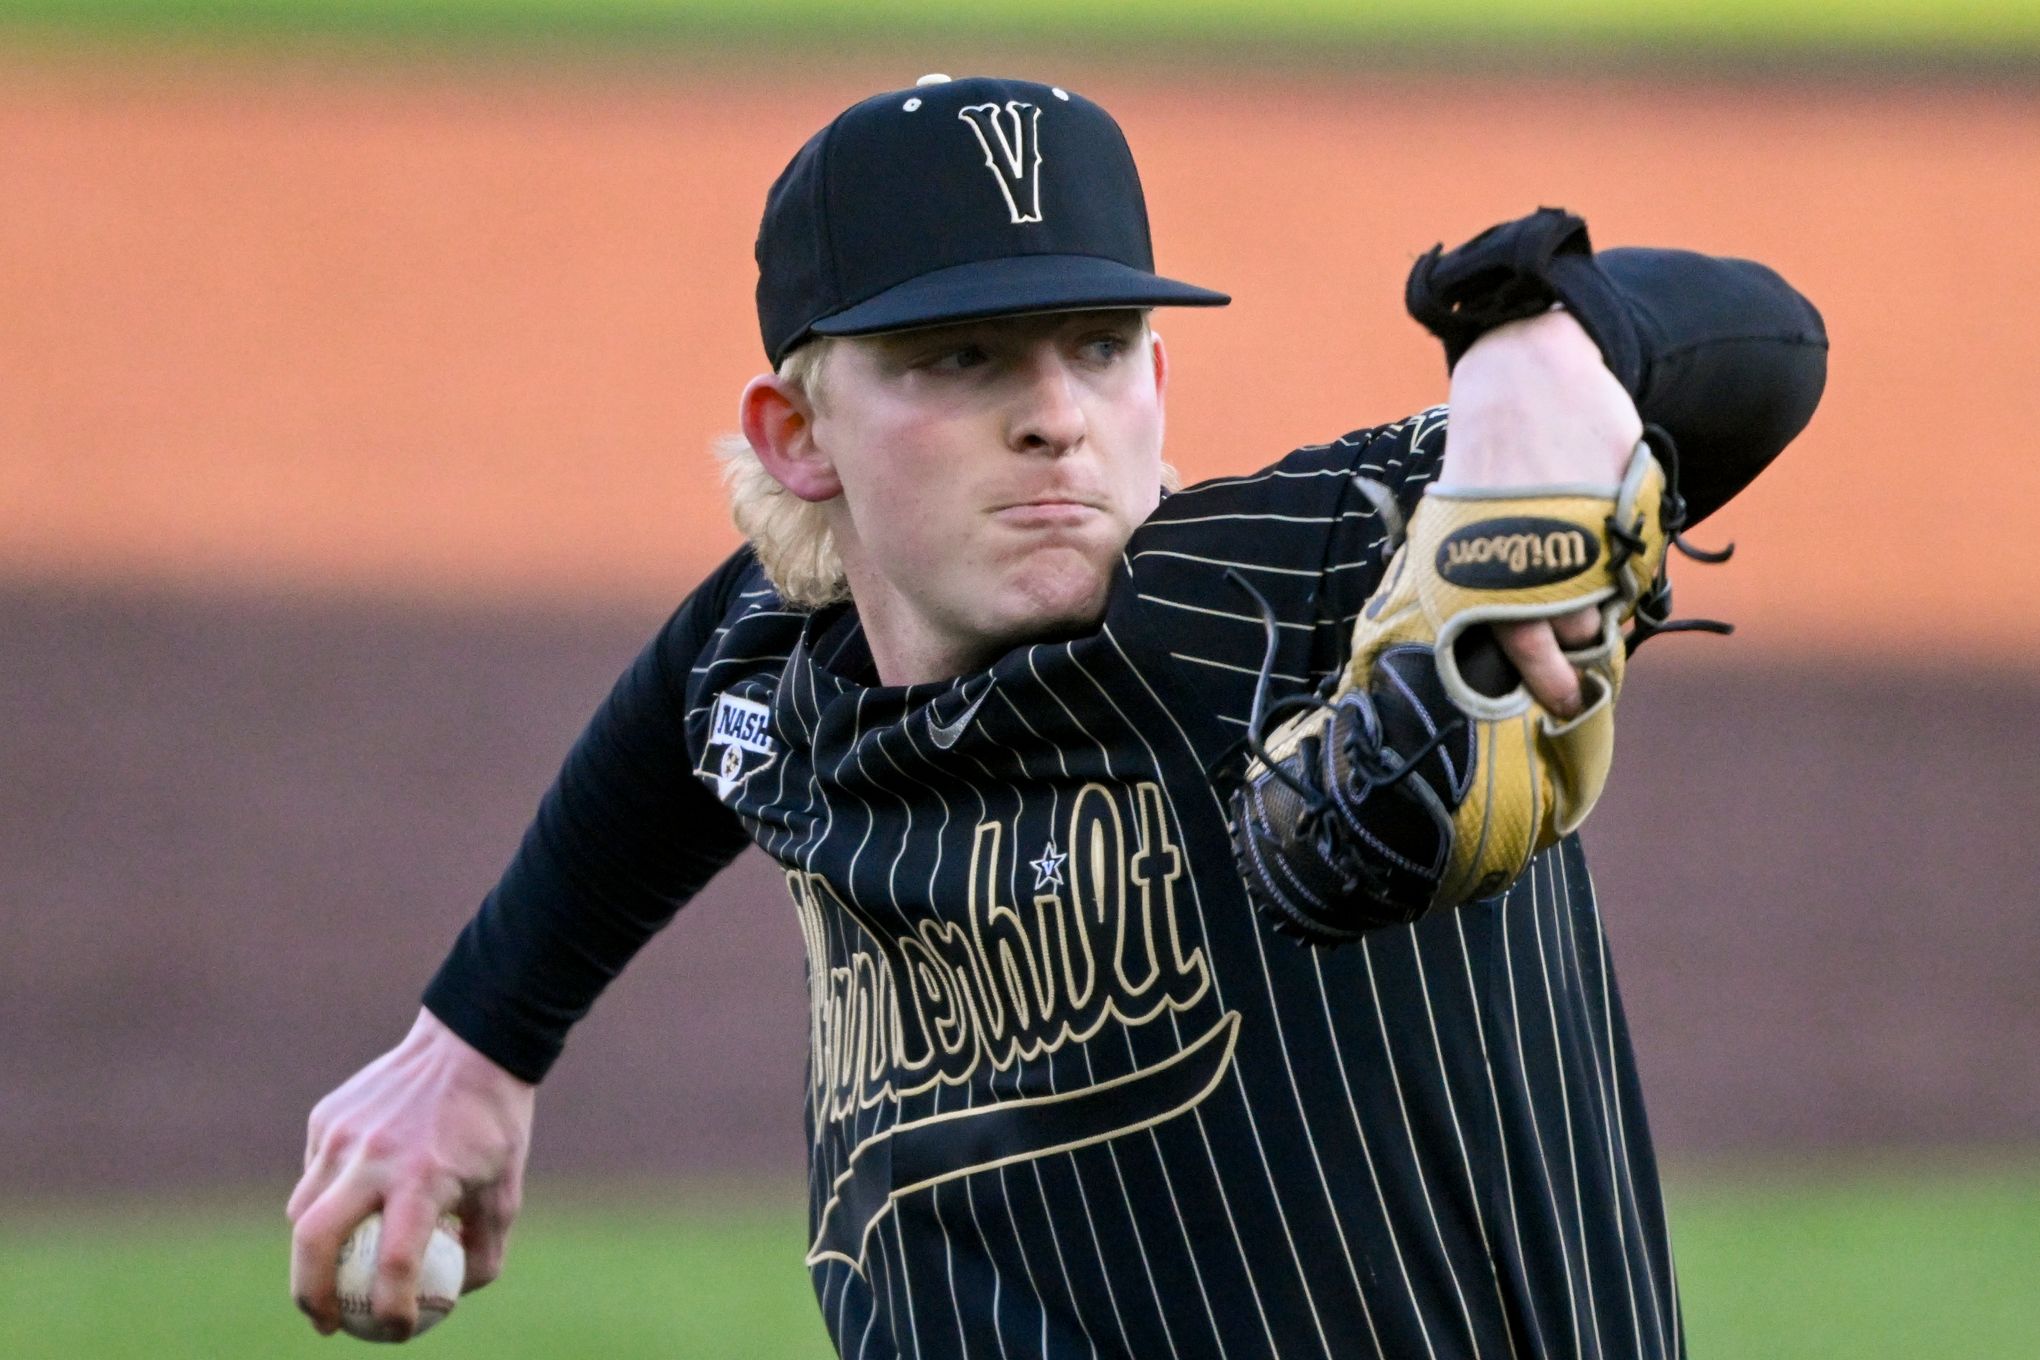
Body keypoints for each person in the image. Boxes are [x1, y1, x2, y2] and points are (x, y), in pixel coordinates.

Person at [288, 74, 1826, 1357]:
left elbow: (1769, 345)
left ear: (1158, 373)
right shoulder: (774, 667)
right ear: (799, 436)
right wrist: (475, 1042)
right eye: (958, 358)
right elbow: (682, 709)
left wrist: (1535, 355)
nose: (1055, 414)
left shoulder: (1313, 577)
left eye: (1096, 347)